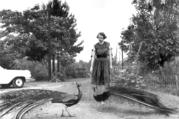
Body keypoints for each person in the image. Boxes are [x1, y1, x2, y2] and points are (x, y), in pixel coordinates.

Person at [90, 32, 112, 100]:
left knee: (106, 78)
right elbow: (93, 56)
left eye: (101, 37)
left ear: (104, 37)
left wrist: (111, 65)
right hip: (97, 63)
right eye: (99, 37)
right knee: (97, 78)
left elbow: (110, 56)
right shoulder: (95, 45)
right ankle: (98, 95)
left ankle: (106, 95)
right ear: (97, 38)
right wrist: (91, 66)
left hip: (105, 63)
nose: (100, 39)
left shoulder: (108, 45)